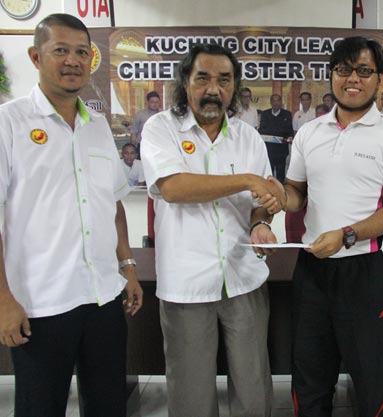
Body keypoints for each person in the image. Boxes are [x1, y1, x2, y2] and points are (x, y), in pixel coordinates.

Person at [0, 13, 143, 417]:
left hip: (102, 297)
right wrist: (2, 299)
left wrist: (127, 267)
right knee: (40, 407)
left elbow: (112, 202)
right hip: (40, 305)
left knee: (107, 405)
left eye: (82, 52)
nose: (73, 61)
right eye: (60, 50)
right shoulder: (8, 124)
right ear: (35, 56)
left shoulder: (97, 125)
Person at [141, 43, 284, 417]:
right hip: (186, 282)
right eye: (202, 78)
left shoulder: (247, 136)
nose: (213, 89)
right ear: (185, 82)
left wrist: (262, 223)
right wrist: (248, 179)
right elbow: (173, 188)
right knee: (191, 395)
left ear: (234, 87)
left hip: (244, 277)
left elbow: (260, 201)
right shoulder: (161, 129)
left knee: (254, 390)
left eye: (224, 80)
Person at [281, 36, 383, 417]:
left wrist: (346, 235)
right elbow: (296, 192)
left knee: (375, 376)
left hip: (368, 267)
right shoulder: (310, 133)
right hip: (312, 268)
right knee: (310, 371)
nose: (352, 79)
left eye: (363, 71)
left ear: (379, 78)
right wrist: (275, 201)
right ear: (331, 76)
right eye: (343, 70)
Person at [258, 94, 293, 183]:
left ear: (281, 102)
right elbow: (262, 130)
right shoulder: (265, 114)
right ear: (270, 102)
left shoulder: (287, 114)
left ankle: (281, 192)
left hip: (282, 150)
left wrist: (289, 137)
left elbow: (289, 131)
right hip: (269, 149)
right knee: (269, 173)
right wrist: (277, 133)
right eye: (274, 100)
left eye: (278, 101)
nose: (276, 103)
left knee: (281, 173)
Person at [131, 90, 160, 156]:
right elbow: (133, 132)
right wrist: (133, 149)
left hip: (158, 147)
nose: (155, 104)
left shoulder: (163, 115)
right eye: (152, 102)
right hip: (142, 146)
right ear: (147, 102)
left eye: (157, 102)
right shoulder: (140, 115)